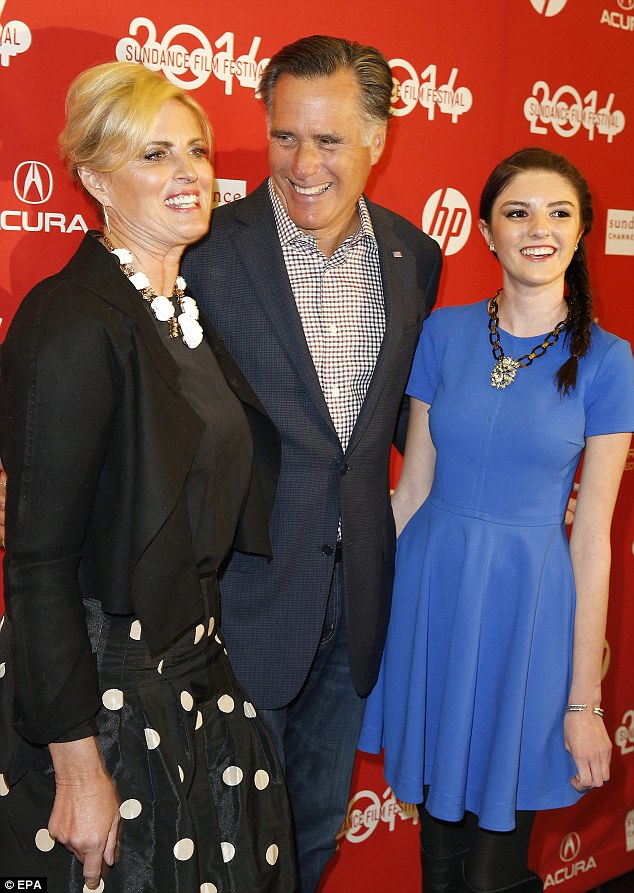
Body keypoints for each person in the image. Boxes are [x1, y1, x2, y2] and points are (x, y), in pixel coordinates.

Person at [0, 62, 298, 892]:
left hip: (198, 684)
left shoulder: (177, 312)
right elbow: (37, 562)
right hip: (106, 700)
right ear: (94, 177)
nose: (188, 175)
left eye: (195, 152)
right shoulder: (69, 320)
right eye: (154, 155)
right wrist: (78, 767)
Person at [182, 35, 442, 891]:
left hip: (359, 596)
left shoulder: (414, 257)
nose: (303, 163)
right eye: (285, 135)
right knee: (229, 845)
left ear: (378, 139)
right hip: (240, 598)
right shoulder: (209, 248)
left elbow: (404, 424)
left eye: (329, 140)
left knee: (317, 831)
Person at [358, 147, 634, 893]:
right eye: (518, 212)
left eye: (559, 213)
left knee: (491, 872)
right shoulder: (442, 335)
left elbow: (593, 539)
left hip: (529, 616)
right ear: (486, 229)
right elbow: (411, 491)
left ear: (580, 233)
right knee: (437, 858)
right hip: (432, 600)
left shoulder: (609, 362)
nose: (537, 229)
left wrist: (584, 700)